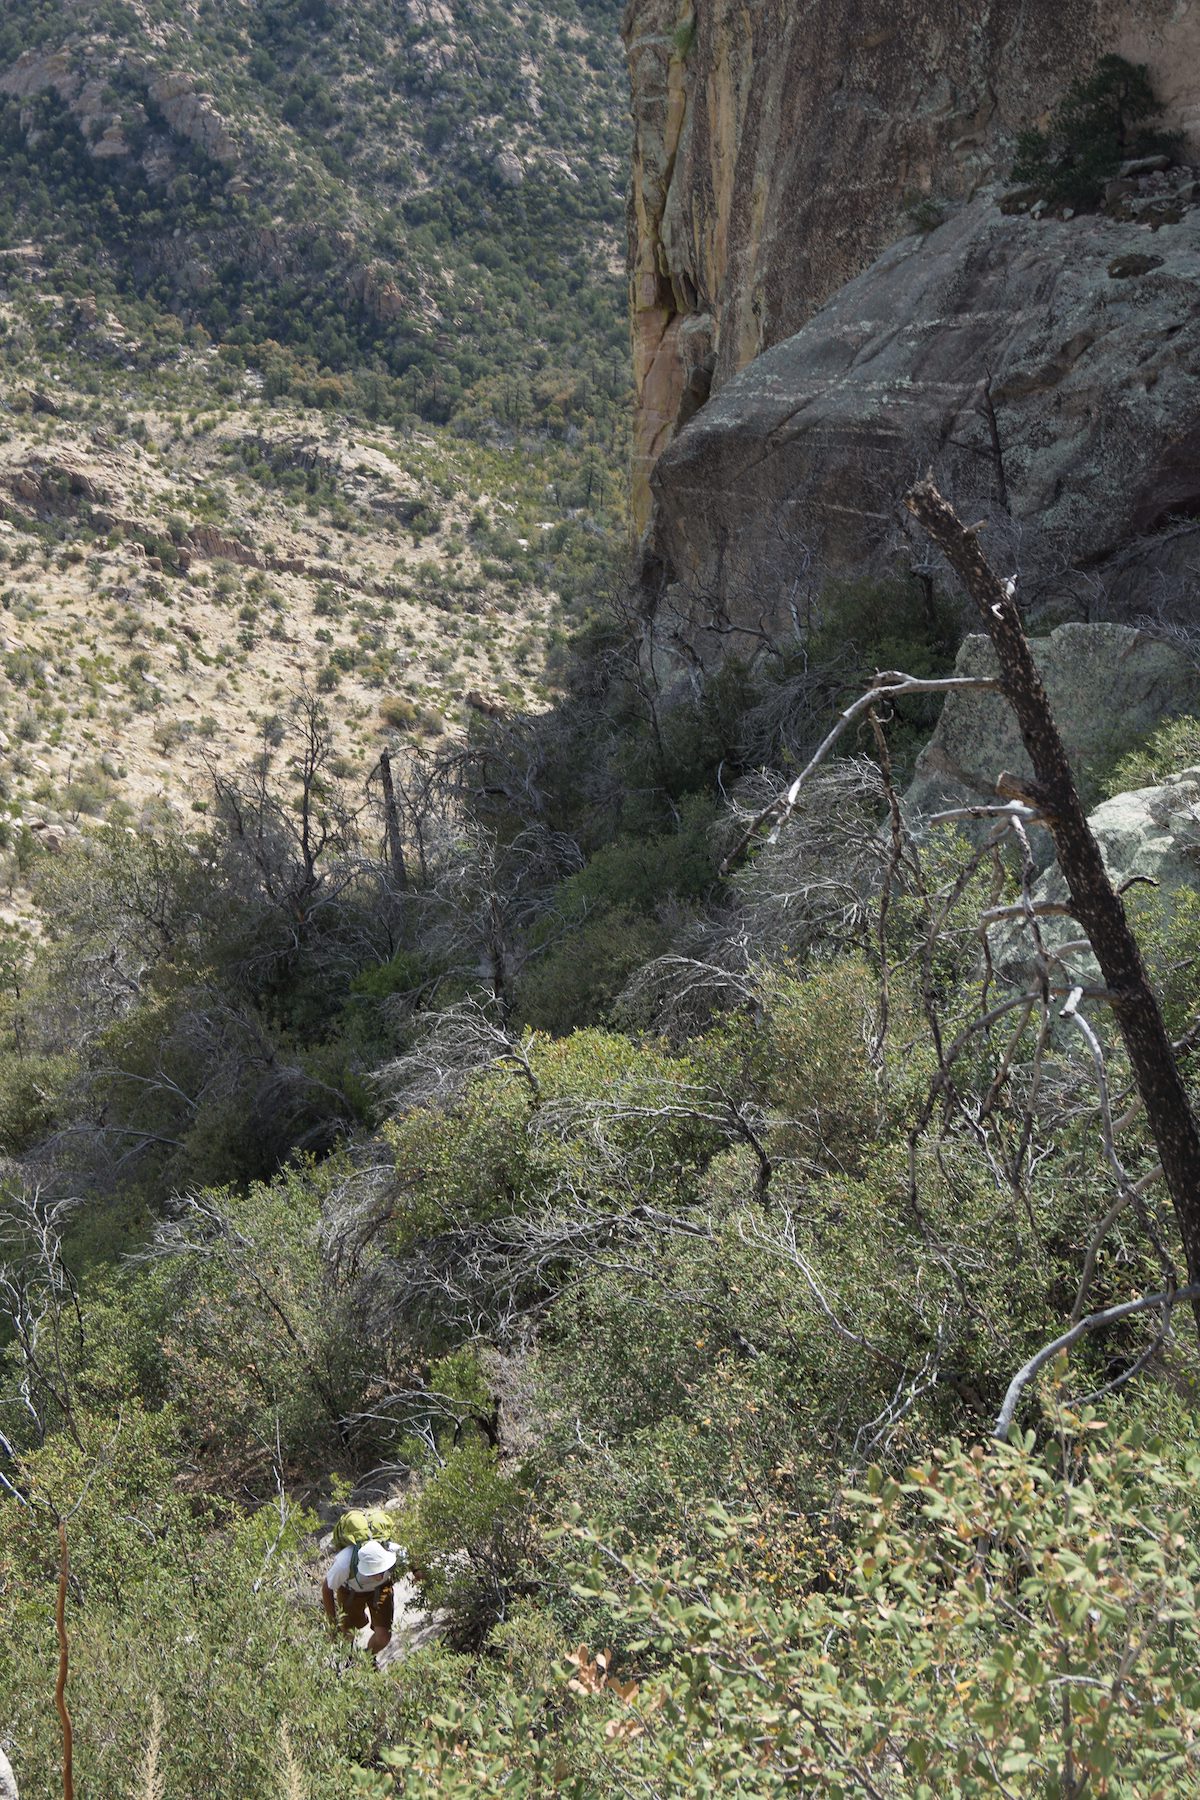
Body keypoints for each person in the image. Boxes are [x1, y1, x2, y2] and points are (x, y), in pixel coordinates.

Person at [321, 1536, 403, 1656]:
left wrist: (417, 1571)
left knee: (383, 1637)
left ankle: (367, 1659)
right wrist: (333, 1624)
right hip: (350, 1592)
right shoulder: (344, 1564)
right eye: (375, 1572)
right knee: (347, 1633)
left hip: (380, 1589)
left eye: (382, 1570)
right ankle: (348, 1660)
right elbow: (327, 1589)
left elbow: (412, 1557)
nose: (380, 1576)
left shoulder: (394, 1551)